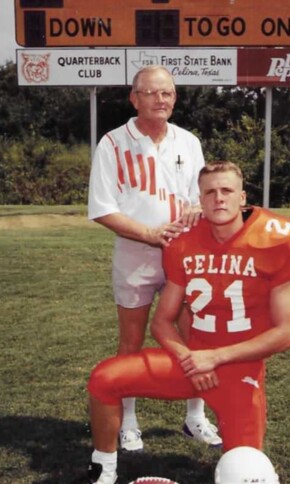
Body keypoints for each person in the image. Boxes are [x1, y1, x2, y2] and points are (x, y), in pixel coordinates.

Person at [57, 160, 290, 484]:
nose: (218, 199)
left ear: (243, 197)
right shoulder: (184, 242)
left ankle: (231, 452)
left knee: (245, 480)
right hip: (191, 363)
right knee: (105, 378)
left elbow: (285, 334)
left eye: (226, 191)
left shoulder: (277, 240)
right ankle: (103, 472)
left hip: (240, 372)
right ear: (200, 200)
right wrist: (191, 359)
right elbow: (161, 321)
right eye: (210, 192)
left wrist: (215, 357)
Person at [88, 65, 221, 451]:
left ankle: (195, 417)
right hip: (136, 253)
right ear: (134, 98)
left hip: (184, 255)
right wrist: (148, 233)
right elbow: (101, 208)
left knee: (194, 338)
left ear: (175, 99)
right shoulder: (112, 143)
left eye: (167, 93)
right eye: (151, 93)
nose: (160, 100)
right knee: (130, 342)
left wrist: (197, 208)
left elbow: (201, 194)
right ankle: (129, 422)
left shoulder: (188, 141)